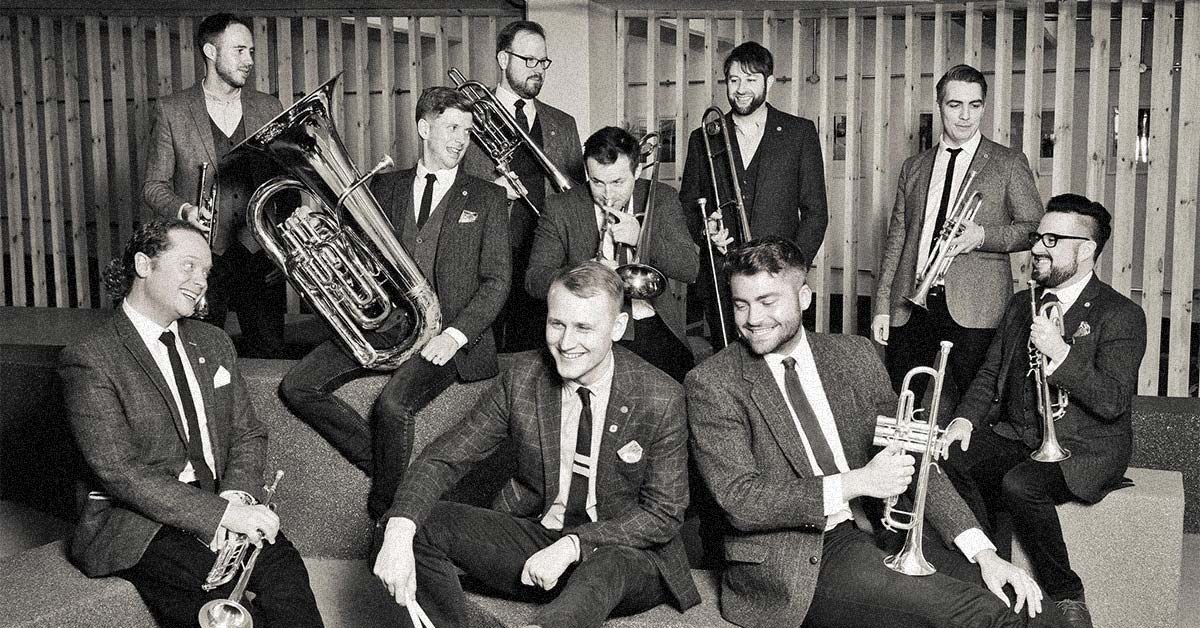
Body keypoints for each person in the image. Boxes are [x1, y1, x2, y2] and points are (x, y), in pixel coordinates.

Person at [687, 236, 1065, 628]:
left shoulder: (853, 355)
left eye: (768, 302)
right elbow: (741, 501)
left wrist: (985, 554)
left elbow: (913, 458)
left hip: (886, 530)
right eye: (741, 304)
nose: (752, 318)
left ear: (803, 297)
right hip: (801, 558)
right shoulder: (713, 383)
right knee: (982, 615)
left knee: (1030, 605)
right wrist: (859, 481)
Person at [373, 261, 700, 628]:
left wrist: (574, 545)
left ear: (618, 328)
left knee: (606, 565)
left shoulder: (661, 396)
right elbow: (443, 458)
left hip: (624, 554)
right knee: (410, 522)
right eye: (557, 324)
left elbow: (664, 513)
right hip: (540, 536)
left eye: (583, 328)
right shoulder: (523, 377)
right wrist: (400, 529)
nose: (565, 343)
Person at [59, 218, 323, 628]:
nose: (201, 281)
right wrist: (218, 515)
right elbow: (120, 473)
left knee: (285, 574)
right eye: (188, 266)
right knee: (216, 601)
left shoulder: (213, 341)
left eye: (206, 272)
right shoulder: (91, 357)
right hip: (136, 521)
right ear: (144, 265)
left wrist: (236, 496)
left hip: (221, 497)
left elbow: (247, 432)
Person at [278, 87, 510, 520]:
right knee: (297, 386)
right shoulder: (386, 186)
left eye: (468, 130)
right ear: (424, 128)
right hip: (383, 322)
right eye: (452, 127)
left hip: (447, 333)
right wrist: (308, 220)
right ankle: (395, 470)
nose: (462, 139)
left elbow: (498, 282)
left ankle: (388, 511)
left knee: (392, 405)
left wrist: (456, 337)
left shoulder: (487, 197)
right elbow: (347, 245)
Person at [939, 194, 1146, 628]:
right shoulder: (1021, 303)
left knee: (1020, 485)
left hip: (1082, 446)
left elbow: (1112, 400)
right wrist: (963, 420)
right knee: (950, 459)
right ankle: (989, 570)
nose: (1036, 248)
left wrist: (1059, 352)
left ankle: (1067, 594)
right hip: (1019, 434)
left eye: (1052, 240)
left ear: (1085, 249)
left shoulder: (1121, 314)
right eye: (1037, 237)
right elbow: (990, 370)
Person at [873, 64, 1043, 404]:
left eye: (974, 105)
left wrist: (983, 236)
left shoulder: (1008, 162)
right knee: (900, 399)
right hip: (912, 304)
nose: (965, 116)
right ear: (939, 106)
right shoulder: (915, 166)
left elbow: (1034, 229)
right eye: (955, 105)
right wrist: (882, 305)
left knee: (974, 406)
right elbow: (897, 240)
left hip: (977, 307)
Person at [143, 13, 288, 358]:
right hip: (201, 260)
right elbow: (153, 185)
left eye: (251, 51)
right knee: (200, 357)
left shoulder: (269, 107)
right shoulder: (172, 110)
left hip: (262, 256)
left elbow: (290, 180)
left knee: (271, 356)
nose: (249, 60)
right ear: (210, 51)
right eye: (239, 51)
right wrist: (184, 210)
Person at [679, 41, 827, 348]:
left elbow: (816, 212)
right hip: (722, 278)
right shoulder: (704, 137)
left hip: (778, 279)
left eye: (750, 80)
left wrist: (791, 270)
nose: (741, 89)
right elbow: (688, 205)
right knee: (727, 359)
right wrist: (704, 231)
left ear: (769, 82)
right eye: (734, 81)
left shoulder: (799, 133)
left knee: (779, 355)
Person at [526, 126, 698, 383]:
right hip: (589, 331)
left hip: (651, 325)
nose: (607, 194)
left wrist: (642, 238)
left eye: (618, 182)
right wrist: (587, 272)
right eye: (597, 182)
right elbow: (534, 281)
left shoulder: (662, 197)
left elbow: (689, 268)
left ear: (637, 171)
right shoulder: (561, 208)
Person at [462, 20, 586, 354]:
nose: (538, 70)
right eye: (528, 61)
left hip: (546, 258)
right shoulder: (468, 117)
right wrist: (492, 188)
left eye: (542, 62)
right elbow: (451, 190)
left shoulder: (563, 123)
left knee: (542, 350)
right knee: (487, 350)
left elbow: (577, 197)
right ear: (503, 59)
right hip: (487, 256)